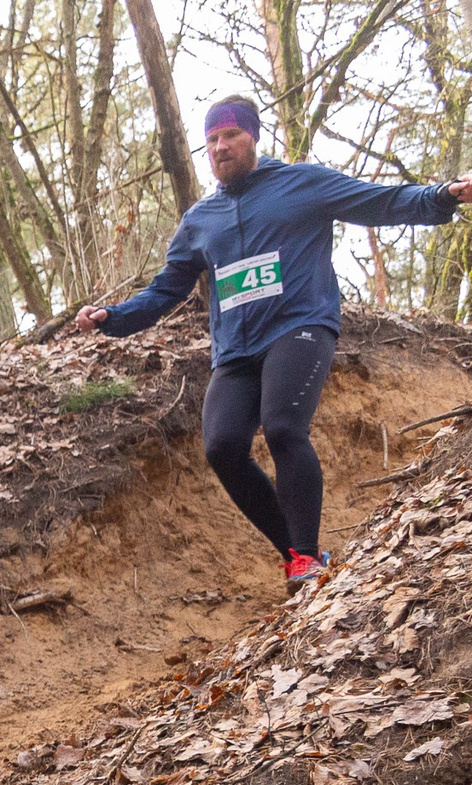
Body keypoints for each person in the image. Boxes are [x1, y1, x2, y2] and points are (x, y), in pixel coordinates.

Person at [79, 98, 470, 588]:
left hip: (300, 326)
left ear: (253, 137)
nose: (221, 147)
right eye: (213, 140)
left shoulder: (301, 184)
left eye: (231, 136)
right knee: (222, 447)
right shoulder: (201, 219)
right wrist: (112, 317)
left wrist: (442, 196)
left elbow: (378, 201)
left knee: (284, 427)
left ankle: (306, 559)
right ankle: (297, 551)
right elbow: (166, 290)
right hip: (237, 351)